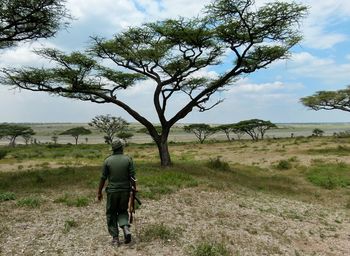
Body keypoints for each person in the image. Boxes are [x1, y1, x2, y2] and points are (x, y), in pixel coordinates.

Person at [97, 139, 136, 246]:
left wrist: (99, 192)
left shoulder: (107, 161)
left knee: (111, 213)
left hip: (112, 191)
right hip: (125, 191)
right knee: (123, 210)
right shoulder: (128, 159)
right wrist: (134, 190)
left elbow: (103, 178)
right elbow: (133, 177)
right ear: (122, 148)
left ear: (113, 149)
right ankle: (126, 227)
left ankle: (115, 238)